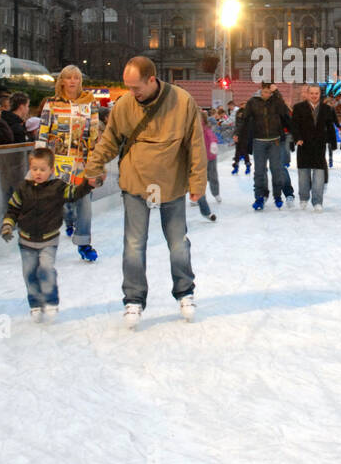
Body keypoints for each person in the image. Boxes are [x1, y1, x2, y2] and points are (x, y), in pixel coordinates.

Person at [80, 56, 205, 330]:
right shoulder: (125, 105)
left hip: (170, 181)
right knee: (134, 244)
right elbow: (110, 139)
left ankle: (185, 292)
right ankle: (133, 299)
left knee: (178, 242)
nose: (131, 93)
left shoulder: (182, 102)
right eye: (128, 87)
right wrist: (93, 167)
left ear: (152, 80)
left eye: (136, 87)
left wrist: (197, 183)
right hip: (136, 181)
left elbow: (195, 144)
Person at [1, 147, 94, 321]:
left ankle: (51, 301)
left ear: (51, 170)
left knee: (46, 270)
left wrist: (88, 184)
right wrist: (8, 225)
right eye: (34, 169)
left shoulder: (57, 187)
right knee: (29, 273)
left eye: (42, 169)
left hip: (49, 240)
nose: (38, 173)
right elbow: (13, 209)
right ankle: (35, 304)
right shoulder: (23, 188)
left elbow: (74, 193)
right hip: (26, 240)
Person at [38, 65, 98, 261]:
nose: (73, 81)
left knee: (85, 203)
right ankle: (57, 230)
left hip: (81, 162)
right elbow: (43, 132)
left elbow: (94, 134)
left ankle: (84, 243)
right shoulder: (51, 104)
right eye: (69, 78)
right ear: (62, 81)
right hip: (57, 161)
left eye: (77, 78)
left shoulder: (89, 103)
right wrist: (39, 162)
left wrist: (95, 162)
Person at [239, 82, 293, 211]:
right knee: (259, 171)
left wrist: (277, 94)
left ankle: (278, 196)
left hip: (275, 141)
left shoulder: (276, 101)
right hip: (259, 141)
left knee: (277, 169)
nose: (267, 94)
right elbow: (245, 120)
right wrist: (240, 137)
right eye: (265, 91)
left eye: (270, 92)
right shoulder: (253, 102)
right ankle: (259, 197)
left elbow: (285, 112)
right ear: (260, 90)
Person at [292, 83, 336, 212]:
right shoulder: (299, 107)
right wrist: (297, 138)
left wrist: (332, 142)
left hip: (319, 145)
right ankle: (304, 198)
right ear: (307, 94)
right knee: (304, 174)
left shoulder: (326, 109)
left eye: (316, 93)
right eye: (312, 93)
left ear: (320, 94)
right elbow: (294, 125)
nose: (314, 96)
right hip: (304, 144)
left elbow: (330, 126)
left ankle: (317, 201)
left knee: (319, 174)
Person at [194, 110, 220, 222]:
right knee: (199, 180)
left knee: (212, 177)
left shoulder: (206, 129)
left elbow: (212, 137)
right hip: (197, 159)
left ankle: (216, 193)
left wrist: (213, 144)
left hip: (210, 158)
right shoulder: (191, 130)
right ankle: (198, 197)